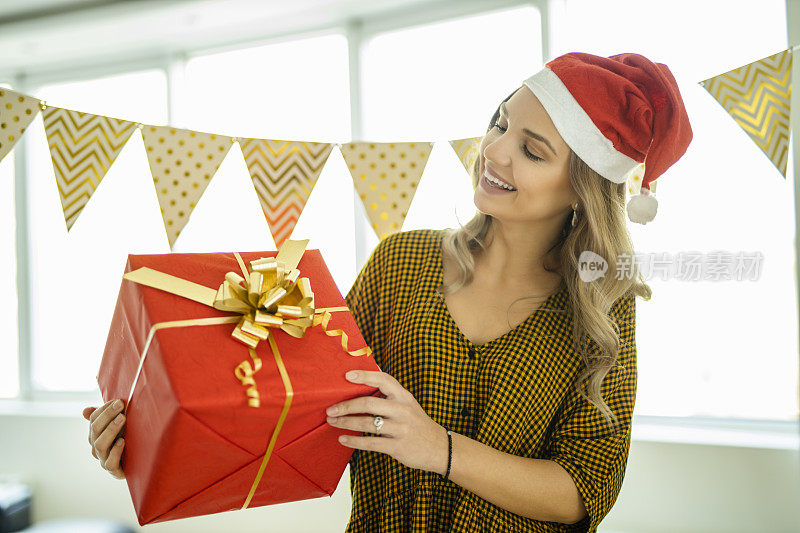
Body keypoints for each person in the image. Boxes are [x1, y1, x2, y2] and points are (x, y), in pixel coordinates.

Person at [84, 51, 692, 532]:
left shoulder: (600, 313)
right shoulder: (401, 263)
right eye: (500, 123)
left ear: (582, 188)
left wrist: (440, 449)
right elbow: (309, 413)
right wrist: (157, 438)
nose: (495, 152)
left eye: (532, 150)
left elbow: (586, 492)